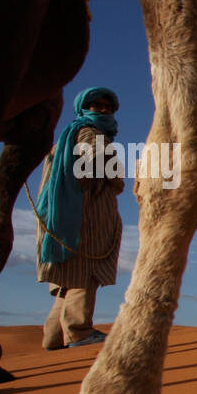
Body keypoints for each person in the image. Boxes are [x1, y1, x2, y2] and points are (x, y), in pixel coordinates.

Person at [35, 87, 124, 349]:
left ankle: (53, 334)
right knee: (86, 272)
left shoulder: (64, 138)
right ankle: (78, 331)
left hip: (63, 217)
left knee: (69, 276)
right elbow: (106, 168)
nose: (103, 110)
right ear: (84, 108)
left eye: (108, 106)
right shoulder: (91, 133)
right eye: (97, 106)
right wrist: (113, 180)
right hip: (86, 217)